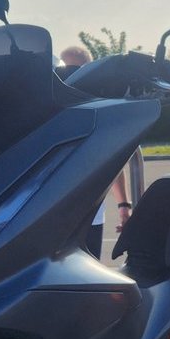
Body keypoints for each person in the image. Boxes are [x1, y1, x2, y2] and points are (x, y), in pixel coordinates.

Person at [59, 45, 133, 258]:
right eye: (67, 69)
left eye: (79, 70)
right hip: (51, 217)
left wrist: (123, 205)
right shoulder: (49, 109)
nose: (72, 76)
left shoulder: (99, 110)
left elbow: (112, 159)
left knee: (85, 282)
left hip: (91, 217)